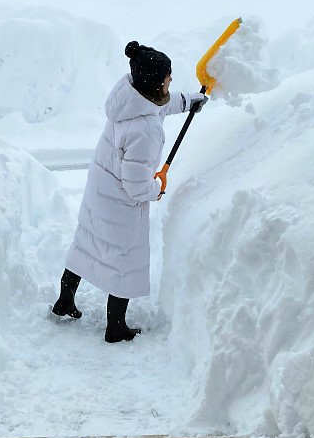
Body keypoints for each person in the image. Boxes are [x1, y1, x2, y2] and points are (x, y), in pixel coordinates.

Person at [52, 41, 208, 343]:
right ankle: (116, 327)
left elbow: (163, 104)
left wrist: (190, 101)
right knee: (124, 261)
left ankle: (64, 301)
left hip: (100, 191)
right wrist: (158, 188)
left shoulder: (129, 100)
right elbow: (137, 187)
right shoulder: (146, 130)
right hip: (121, 204)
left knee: (86, 244)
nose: (171, 81)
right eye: (168, 77)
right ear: (155, 82)